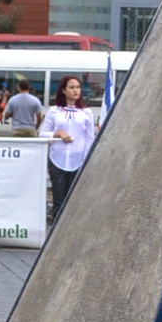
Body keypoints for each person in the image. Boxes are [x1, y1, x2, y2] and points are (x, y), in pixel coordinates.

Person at [39, 75, 97, 223]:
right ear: (64, 90)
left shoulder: (86, 112)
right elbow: (42, 134)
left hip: (78, 161)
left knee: (74, 199)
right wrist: (57, 133)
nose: (75, 90)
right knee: (58, 198)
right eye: (71, 87)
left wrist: (86, 159)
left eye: (77, 87)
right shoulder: (54, 111)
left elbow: (90, 138)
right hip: (57, 159)